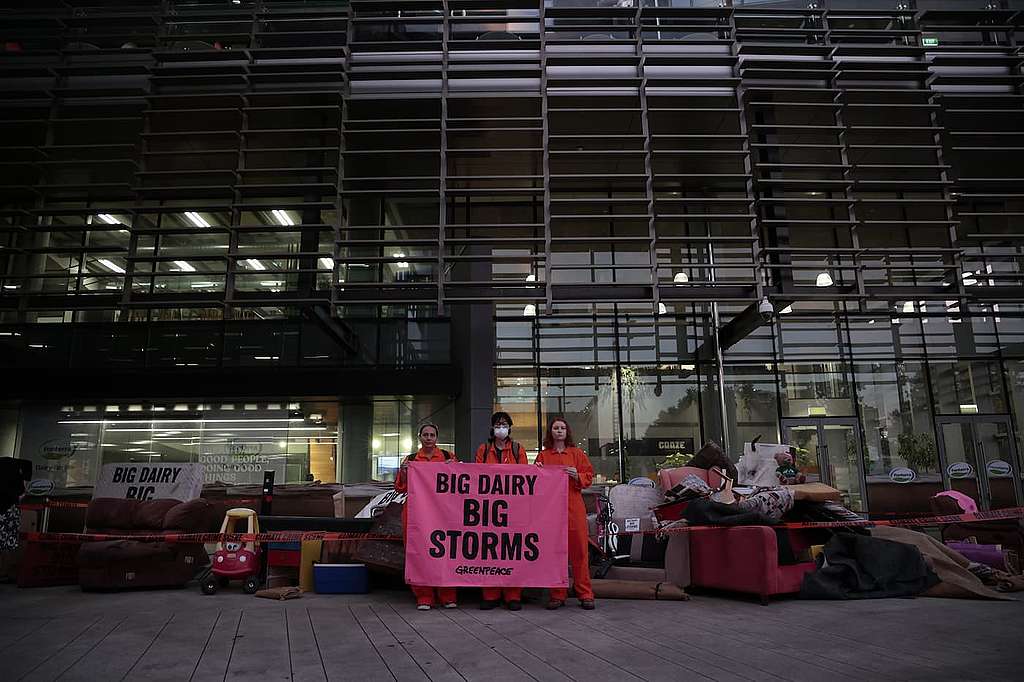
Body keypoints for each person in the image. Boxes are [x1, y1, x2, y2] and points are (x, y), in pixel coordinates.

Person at [394, 423, 459, 610]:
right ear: (419, 437)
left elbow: (458, 483)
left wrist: (453, 469)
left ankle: (447, 595)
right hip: (417, 514)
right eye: (425, 434)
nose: (429, 438)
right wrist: (405, 472)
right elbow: (400, 488)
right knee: (418, 553)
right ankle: (424, 596)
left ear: (437, 437)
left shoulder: (448, 457)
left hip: (443, 513)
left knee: (446, 552)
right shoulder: (411, 460)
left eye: (432, 435)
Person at [535, 417, 596, 610]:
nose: (559, 431)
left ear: (566, 431)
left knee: (580, 553)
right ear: (551, 432)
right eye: (555, 428)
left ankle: (585, 594)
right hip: (552, 511)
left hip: (574, 508)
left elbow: (589, 476)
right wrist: (537, 472)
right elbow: (535, 483)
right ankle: (557, 595)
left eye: (562, 428)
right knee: (555, 554)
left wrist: (577, 475)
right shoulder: (543, 456)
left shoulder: (577, 454)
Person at [474, 411, 528, 611]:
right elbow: (477, 475)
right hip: (488, 510)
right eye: (498, 424)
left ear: (510, 427)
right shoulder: (483, 449)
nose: (501, 427)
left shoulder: (517, 449)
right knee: (489, 550)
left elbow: (524, 476)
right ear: (492, 428)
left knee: (512, 550)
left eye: (504, 424)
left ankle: (513, 595)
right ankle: (490, 594)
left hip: (513, 509)